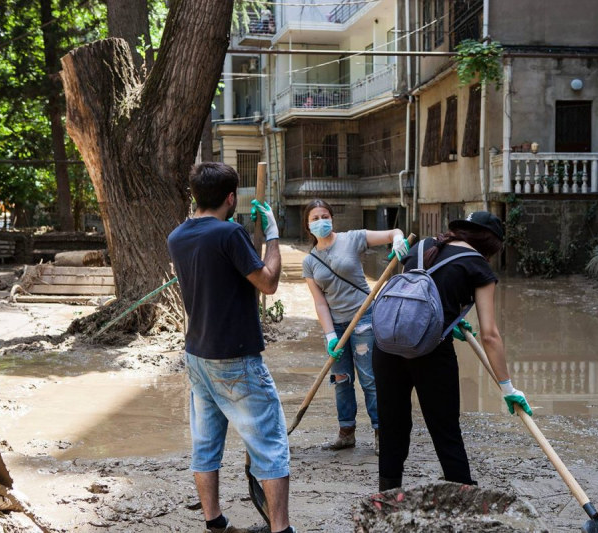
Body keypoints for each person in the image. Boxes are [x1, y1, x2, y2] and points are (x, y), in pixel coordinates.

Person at [167, 163, 294, 533]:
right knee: (269, 446)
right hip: (234, 356)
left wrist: (248, 246)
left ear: (195, 196)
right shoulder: (229, 233)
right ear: (230, 198)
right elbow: (267, 283)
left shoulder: (177, 236)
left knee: (206, 444)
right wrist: (272, 236)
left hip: (197, 354)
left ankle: (215, 524)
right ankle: (281, 529)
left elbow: (228, 274)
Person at [372, 211, 532, 491]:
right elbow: (490, 335)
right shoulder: (479, 267)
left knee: (392, 425)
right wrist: (508, 388)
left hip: (386, 346)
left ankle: (388, 497)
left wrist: (449, 319)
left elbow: (407, 302)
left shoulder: (420, 246)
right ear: (491, 245)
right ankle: (463, 495)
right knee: (445, 430)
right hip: (431, 355)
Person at [301, 199, 409, 455]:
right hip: (335, 326)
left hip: (363, 319)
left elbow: (394, 233)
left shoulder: (352, 239)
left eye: (324, 216)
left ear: (332, 218)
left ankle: (381, 431)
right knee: (342, 380)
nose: (320, 221)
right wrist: (329, 336)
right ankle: (346, 432)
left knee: (370, 379)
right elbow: (320, 303)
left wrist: (398, 241)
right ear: (308, 225)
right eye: (315, 218)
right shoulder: (310, 262)